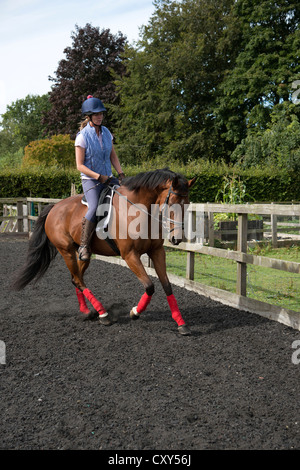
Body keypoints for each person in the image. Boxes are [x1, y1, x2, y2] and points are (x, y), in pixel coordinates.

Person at [75, 95, 125, 261]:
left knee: (126, 198)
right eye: (96, 114)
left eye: (101, 114)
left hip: (108, 178)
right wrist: (98, 176)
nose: (100, 116)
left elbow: (113, 155)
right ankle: (84, 245)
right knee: (95, 206)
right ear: (89, 116)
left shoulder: (106, 132)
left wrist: (120, 173)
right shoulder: (82, 137)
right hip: (91, 181)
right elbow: (80, 166)